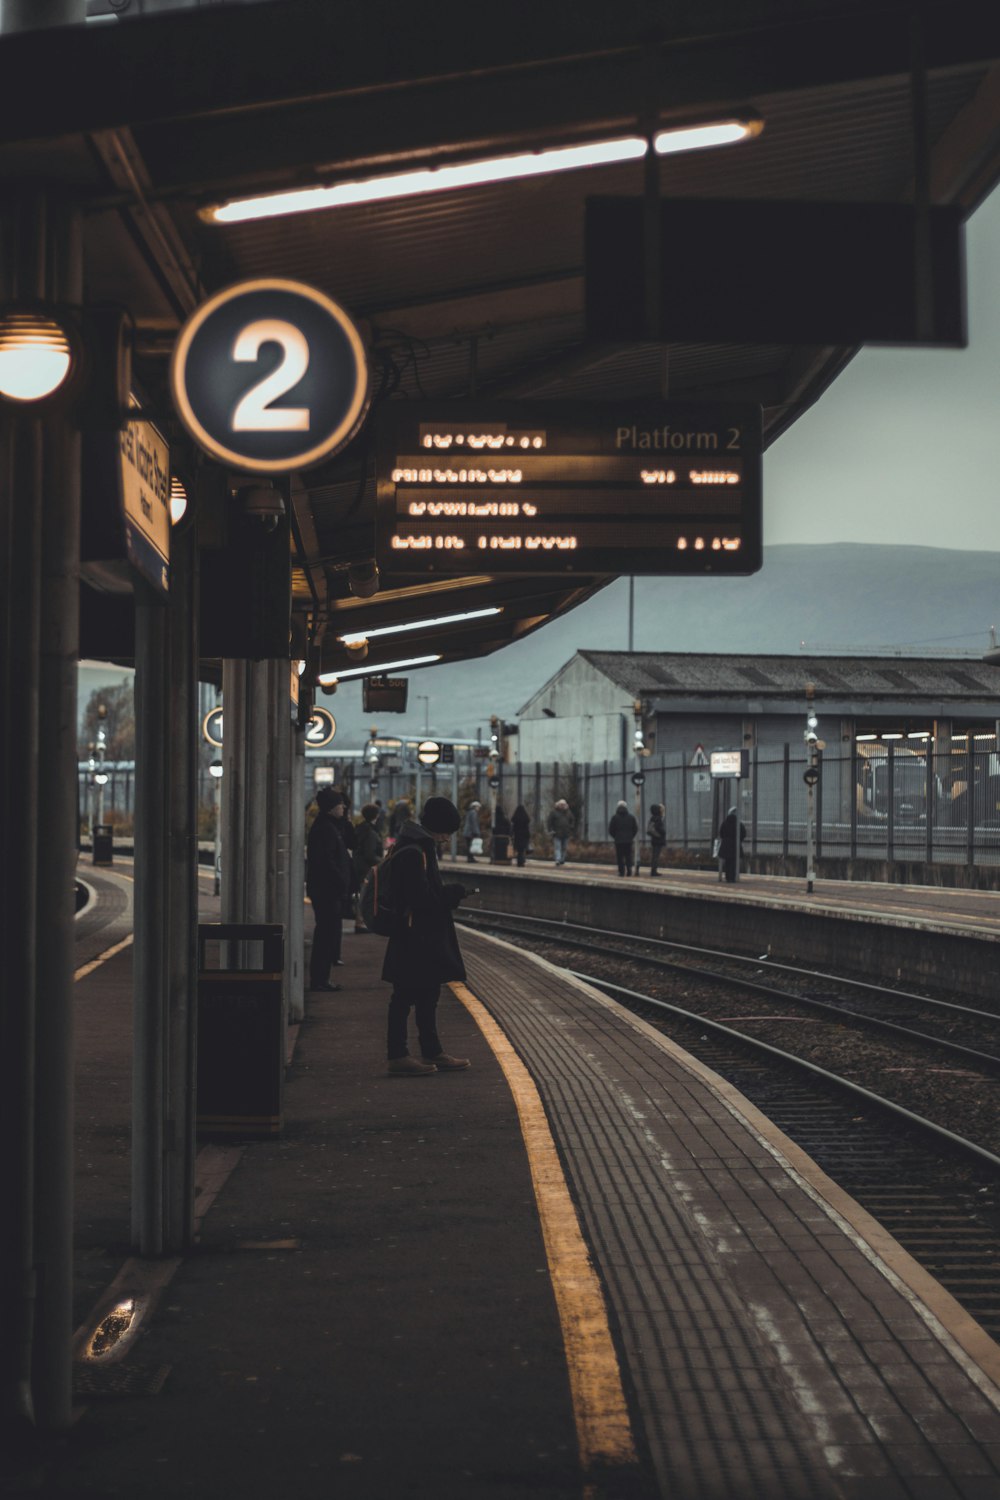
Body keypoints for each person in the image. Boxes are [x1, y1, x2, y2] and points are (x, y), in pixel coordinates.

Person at [382, 796, 471, 1077]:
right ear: (437, 827)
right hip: (413, 938)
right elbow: (422, 900)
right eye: (446, 832)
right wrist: (452, 893)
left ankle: (432, 1051)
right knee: (405, 996)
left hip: (420, 938)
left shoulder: (418, 847)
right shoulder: (413, 852)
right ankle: (398, 1055)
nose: (447, 838)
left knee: (428, 995)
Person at [306, 787, 352, 991]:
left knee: (327, 934)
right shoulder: (325, 829)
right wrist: (341, 880)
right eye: (340, 804)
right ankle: (320, 979)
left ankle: (322, 978)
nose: (343, 807)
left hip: (326, 889)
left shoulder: (329, 826)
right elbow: (327, 861)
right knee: (325, 935)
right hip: (327, 891)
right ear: (331, 807)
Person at [352, 804, 384, 931]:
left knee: (361, 894)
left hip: (359, 867)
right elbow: (370, 854)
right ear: (376, 815)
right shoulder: (370, 832)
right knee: (365, 895)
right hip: (366, 869)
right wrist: (383, 862)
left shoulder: (361, 828)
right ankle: (361, 922)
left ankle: (360, 921)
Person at [609, 799, 638, 876]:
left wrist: (616, 836)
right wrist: (631, 836)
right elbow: (635, 829)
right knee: (628, 856)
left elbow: (611, 830)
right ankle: (629, 871)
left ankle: (621, 872)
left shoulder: (614, 818)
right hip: (628, 840)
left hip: (618, 840)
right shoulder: (631, 817)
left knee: (620, 857)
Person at [718, 805, 747, 883]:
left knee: (727, 862)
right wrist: (738, 840)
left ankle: (727, 877)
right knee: (734, 863)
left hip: (726, 846)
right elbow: (743, 834)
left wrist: (725, 840)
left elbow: (721, 833)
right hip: (735, 846)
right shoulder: (739, 824)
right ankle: (732, 877)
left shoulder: (724, 823)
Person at [546, 798, 574, 866]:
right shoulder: (554, 812)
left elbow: (572, 820)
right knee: (557, 847)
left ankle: (562, 859)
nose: (562, 806)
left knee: (564, 848)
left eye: (563, 804)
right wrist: (550, 830)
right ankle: (558, 860)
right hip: (557, 833)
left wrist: (571, 827)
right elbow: (549, 821)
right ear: (558, 805)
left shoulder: (568, 812)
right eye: (561, 804)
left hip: (566, 833)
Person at [647, 803, 666, 876]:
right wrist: (662, 833)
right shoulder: (657, 818)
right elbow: (658, 828)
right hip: (658, 840)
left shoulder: (653, 817)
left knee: (654, 856)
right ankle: (654, 871)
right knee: (656, 856)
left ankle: (653, 870)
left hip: (654, 840)